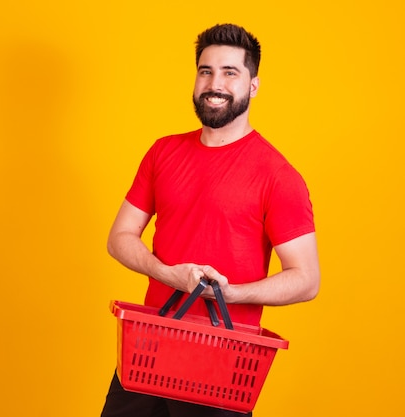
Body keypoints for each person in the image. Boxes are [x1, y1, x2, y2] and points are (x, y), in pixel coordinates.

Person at [100, 23, 320, 417]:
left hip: (224, 367)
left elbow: (306, 279)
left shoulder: (278, 175)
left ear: (253, 85)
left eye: (230, 72)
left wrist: (230, 294)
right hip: (147, 350)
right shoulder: (163, 152)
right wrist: (171, 276)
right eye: (206, 71)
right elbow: (119, 237)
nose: (214, 83)